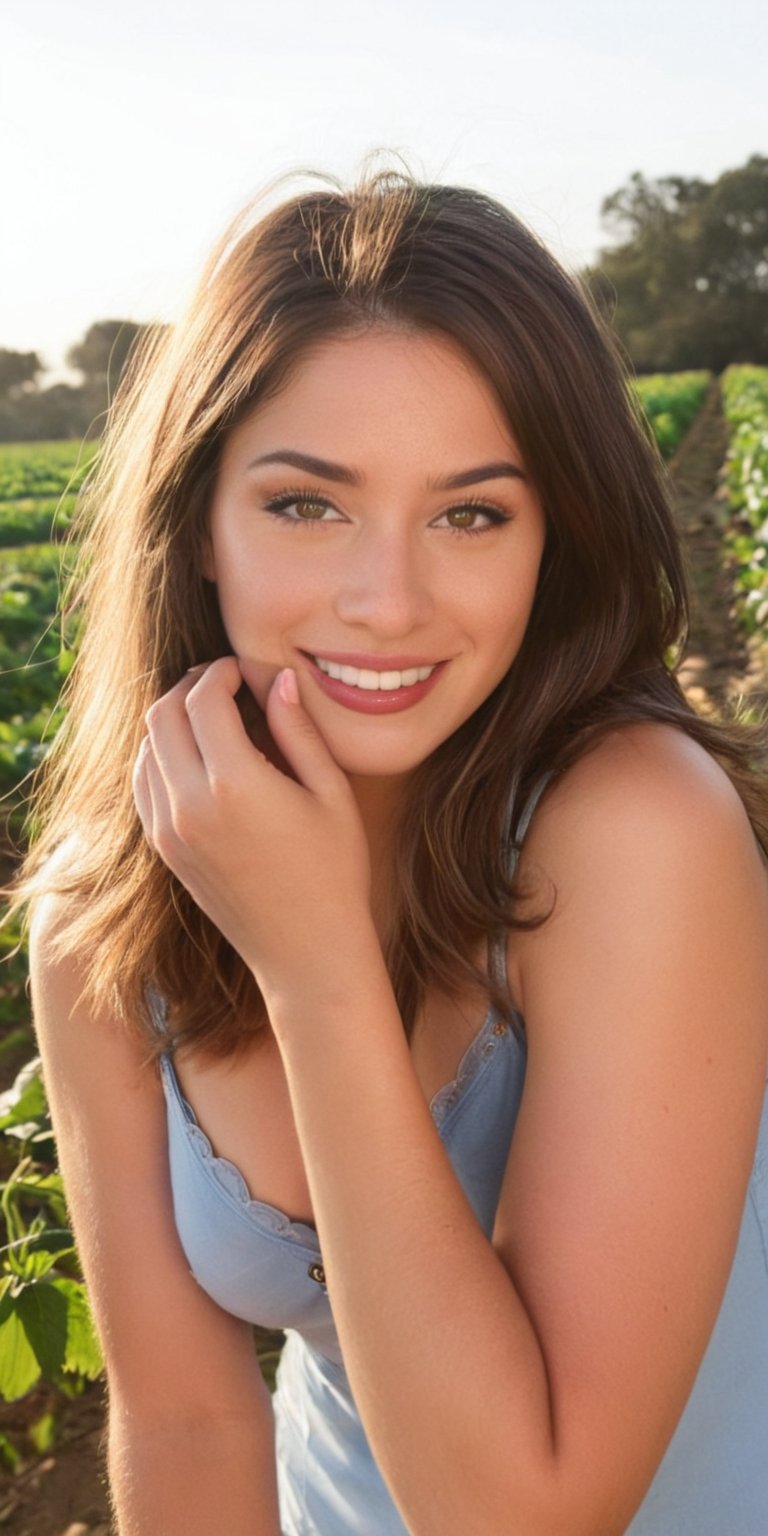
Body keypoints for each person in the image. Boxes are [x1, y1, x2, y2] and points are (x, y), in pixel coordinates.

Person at [9, 166, 768, 1536]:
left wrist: (314, 967)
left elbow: (533, 1513)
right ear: (198, 531)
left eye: (472, 512)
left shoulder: (636, 830)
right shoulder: (100, 906)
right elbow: (183, 1418)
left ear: (556, 540)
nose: (387, 602)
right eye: (308, 504)